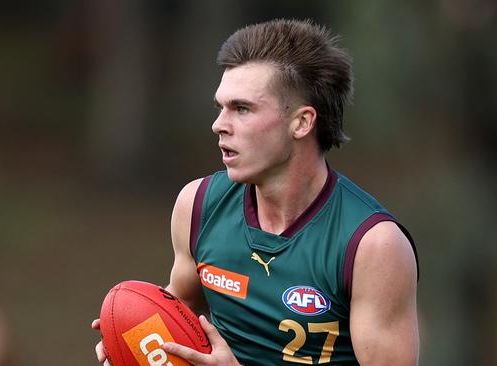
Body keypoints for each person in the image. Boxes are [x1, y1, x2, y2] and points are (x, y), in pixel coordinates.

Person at [93, 18, 419, 365]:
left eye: (242, 108)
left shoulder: (372, 246)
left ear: (302, 122)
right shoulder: (199, 205)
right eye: (221, 107)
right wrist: (131, 340)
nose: (219, 124)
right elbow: (177, 319)